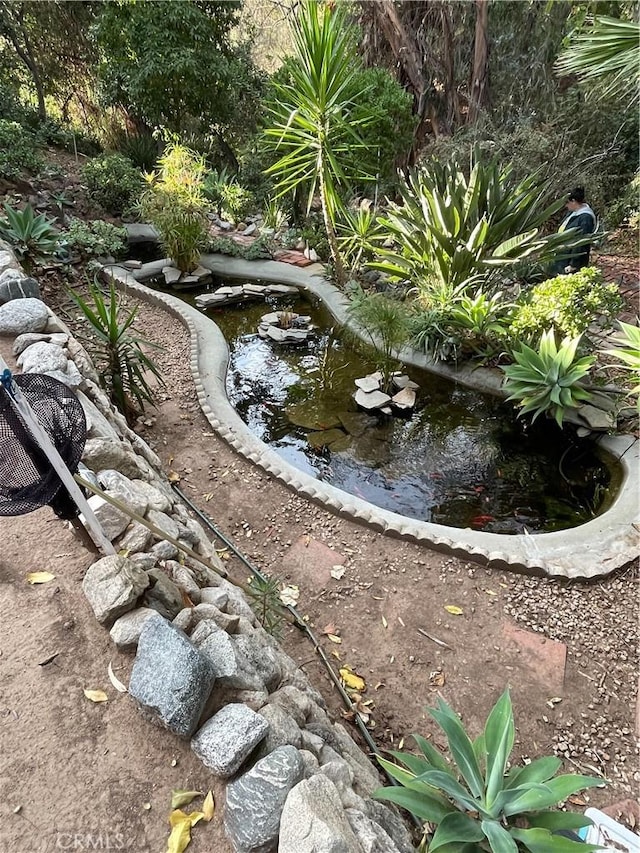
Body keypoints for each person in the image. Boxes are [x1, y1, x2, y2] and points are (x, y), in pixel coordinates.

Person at [552, 186, 597, 275]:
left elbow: (582, 241)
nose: (566, 205)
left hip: (570, 263)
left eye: (567, 203)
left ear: (573, 201)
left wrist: (574, 264)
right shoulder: (573, 213)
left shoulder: (586, 217)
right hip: (562, 258)